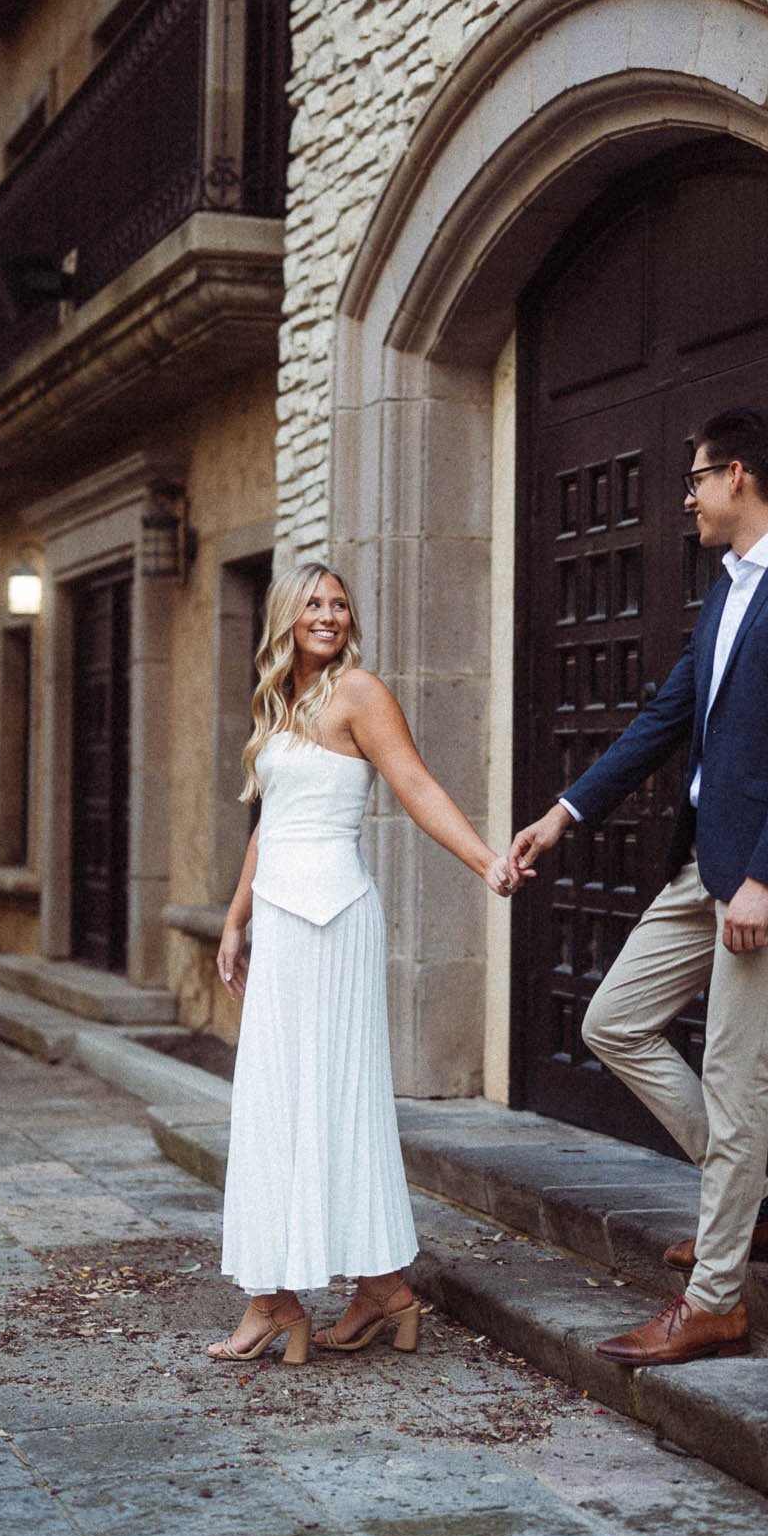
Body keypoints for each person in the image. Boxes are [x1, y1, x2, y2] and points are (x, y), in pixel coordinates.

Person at [509, 408, 768, 1367]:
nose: (688, 497)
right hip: (703, 862)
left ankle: (713, 1300)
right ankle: (757, 1209)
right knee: (612, 1021)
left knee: (736, 1076)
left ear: (738, 476)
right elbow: (665, 715)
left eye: (697, 478)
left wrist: (762, 880)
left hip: (766, 878)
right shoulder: (729, 592)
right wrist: (564, 812)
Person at [210, 562, 513, 1365]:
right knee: (277, 1099)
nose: (329, 614)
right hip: (278, 916)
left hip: (336, 918)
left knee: (336, 1095)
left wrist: (484, 862)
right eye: (313, 603)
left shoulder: (361, 694)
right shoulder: (278, 703)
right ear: (285, 616)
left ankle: (292, 1299)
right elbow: (269, 827)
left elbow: (414, 782)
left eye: (339, 604)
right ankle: (367, 1291)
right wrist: (235, 920)